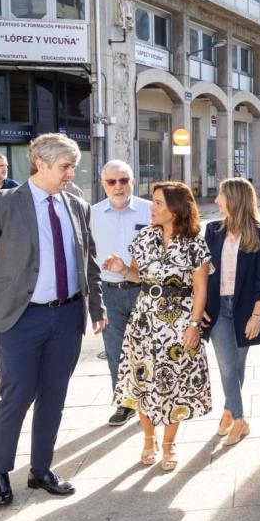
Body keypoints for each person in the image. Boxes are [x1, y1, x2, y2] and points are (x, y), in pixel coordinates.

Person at [0, 133, 106, 506]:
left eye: (73, 166)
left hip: (67, 317)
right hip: (21, 319)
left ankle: (41, 470)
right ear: (41, 164)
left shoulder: (77, 205)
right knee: (16, 395)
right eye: (65, 167)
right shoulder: (2, 203)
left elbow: (88, 259)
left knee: (54, 397)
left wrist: (96, 308)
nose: (71, 173)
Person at [104, 181, 212, 471]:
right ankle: (149, 439)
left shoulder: (195, 243)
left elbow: (201, 288)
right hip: (144, 322)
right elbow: (138, 276)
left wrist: (193, 325)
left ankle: (169, 444)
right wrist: (122, 269)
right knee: (143, 381)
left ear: (175, 209)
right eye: (153, 202)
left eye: (158, 203)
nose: (151, 207)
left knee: (173, 383)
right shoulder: (143, 238)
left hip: (179, 323)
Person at [203, 177, 260, 446]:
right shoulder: (212, 231)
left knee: (237, 365)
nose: (217, 201)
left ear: (234, 199)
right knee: (228, 366)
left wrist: (257, 315)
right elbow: (204, 273)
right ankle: (241, 420)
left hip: (245, 309)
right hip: (218, 308)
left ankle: (228, 411)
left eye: (221, 195)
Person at [90, 160, 151, 427]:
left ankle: (149, 401)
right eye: (112, 182)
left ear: (132, 181)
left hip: (144, 290)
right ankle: (124, 403)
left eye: (123, 180)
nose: (118, 187)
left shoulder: (150, 211)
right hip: (109, 293)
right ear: (103, 184)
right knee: (116, 352)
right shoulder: (91, 214)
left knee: (147, 350)